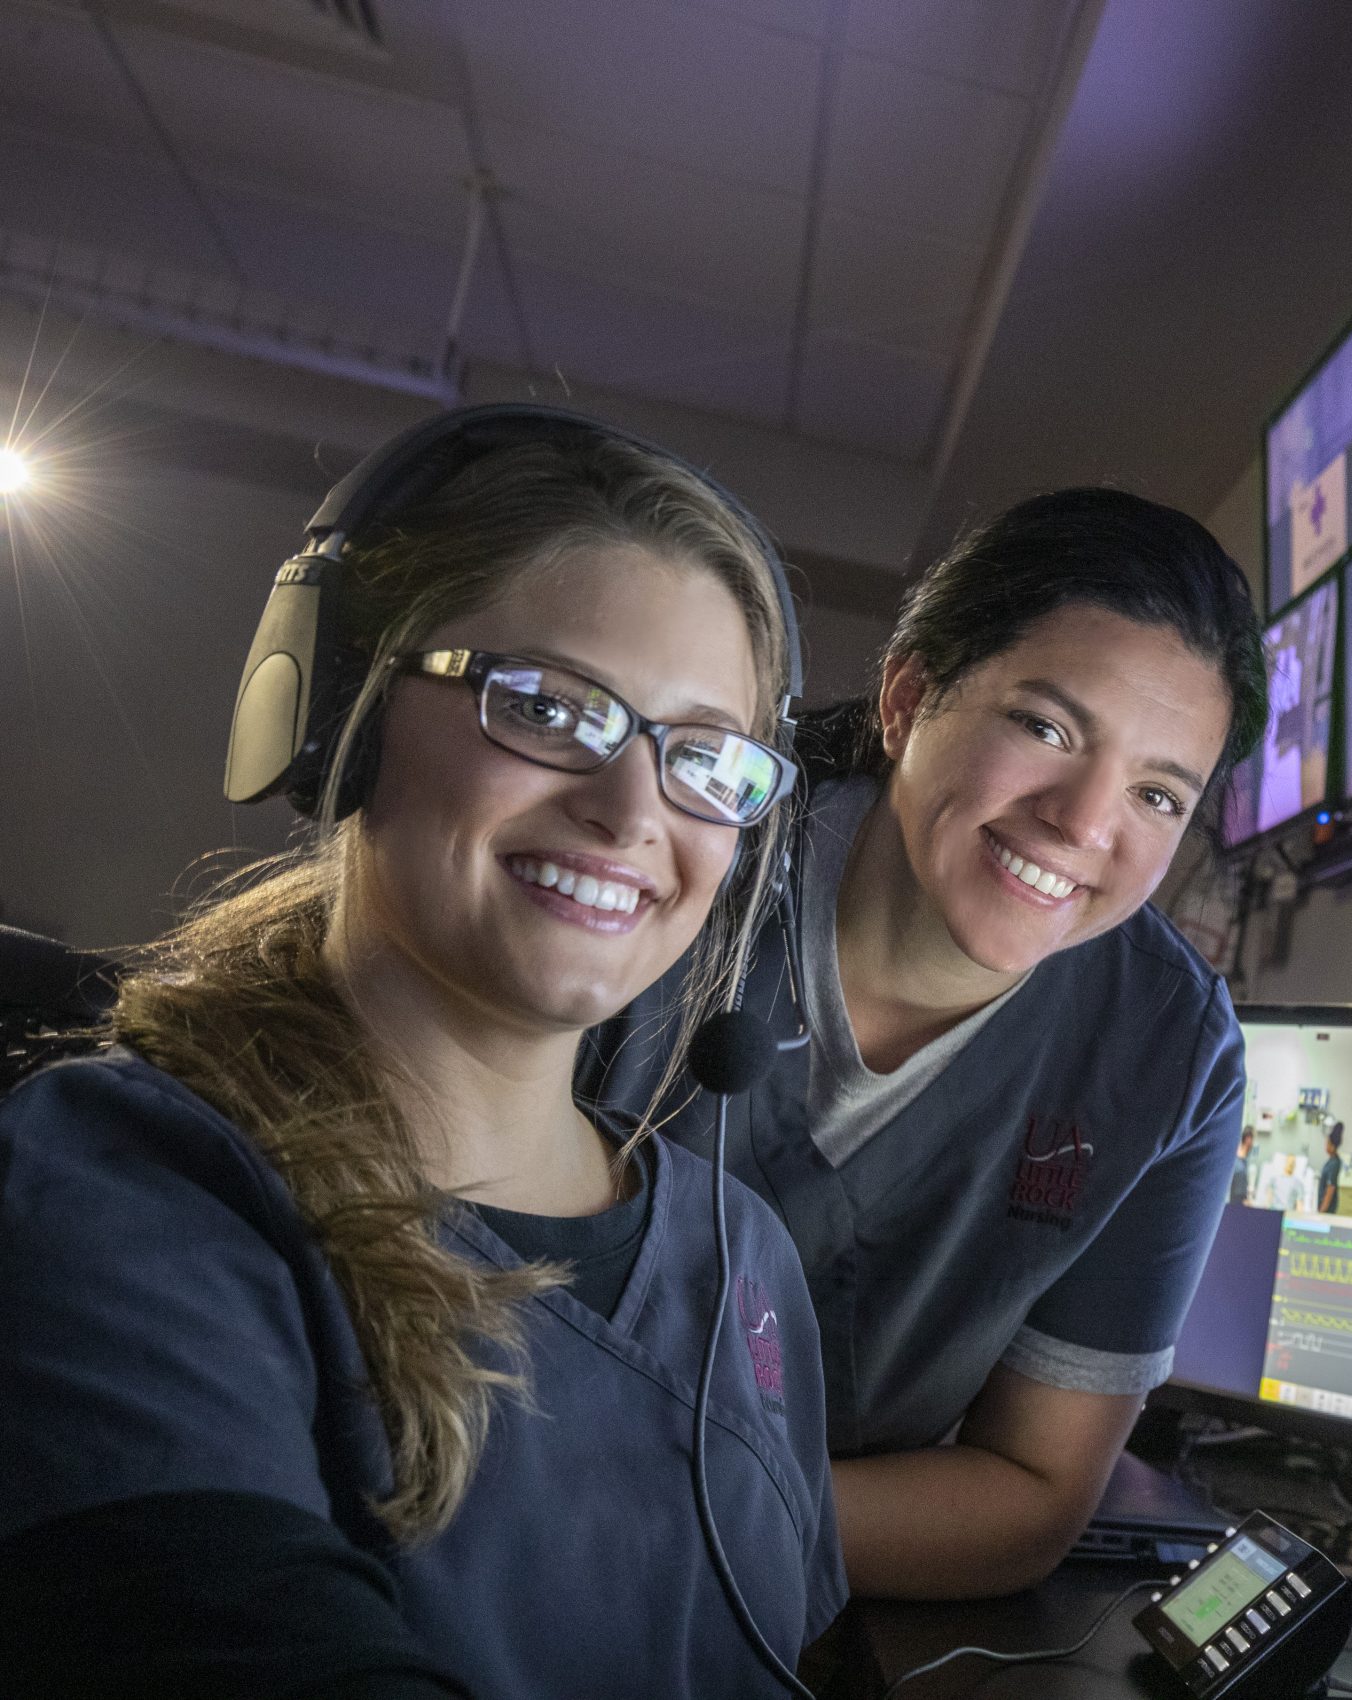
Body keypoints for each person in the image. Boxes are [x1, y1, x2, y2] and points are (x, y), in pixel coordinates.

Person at [0, 417, 840, 1696]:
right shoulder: (128, 1189)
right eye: (549, 706)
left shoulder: (745, 1260)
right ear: (342, 709)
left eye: (705, 758)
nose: (630, 811)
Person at [586, 488, 1269, 1600]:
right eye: (1045, 727)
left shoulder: (1167, 1056)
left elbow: (1029, 1493)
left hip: (775, 1616)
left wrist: (655, 1518)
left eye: (1157, 793)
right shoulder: (679, 845)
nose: (1084, 822)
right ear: (908, 695)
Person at [1317, 1121, 1345, 1215]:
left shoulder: (1334, 1164)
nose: (1325, 1146)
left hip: (1327, 1208)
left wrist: (1321, 1212)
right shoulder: (1333, 1159)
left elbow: (1330, 1191)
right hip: (1325, 1203)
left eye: (1327, 1143)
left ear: (1332, 1147)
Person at [1230, 1124, 1259, 1205]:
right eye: (1253, 1140)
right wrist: (1245, 1201)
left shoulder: (1244, 1161)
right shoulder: (1237, 1164)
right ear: (1248, 1139)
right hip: (1235, 1204)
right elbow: (1237, 1191)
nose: (1253, 1144)